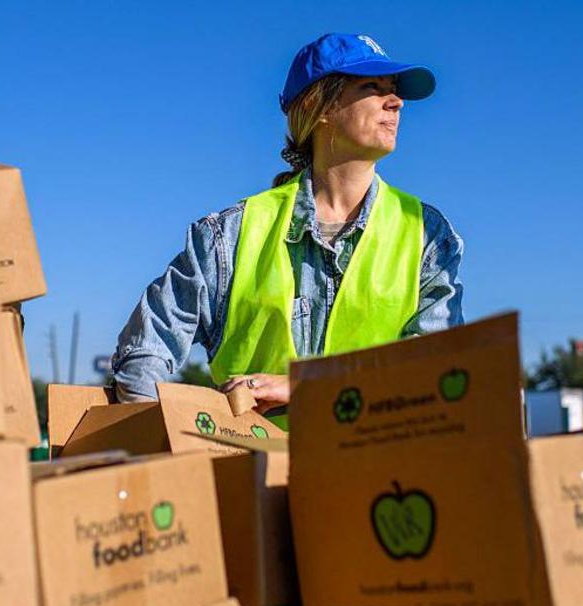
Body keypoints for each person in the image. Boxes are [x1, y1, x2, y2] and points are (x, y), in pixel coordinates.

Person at [111, 33, 464, 423]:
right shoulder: (228, 236)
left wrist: (307, 386)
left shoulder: (426, 234)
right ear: (321, 107)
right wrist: (165, 444)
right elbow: (146, 348)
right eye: (372, 87)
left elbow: (435, 372)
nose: (396, 102)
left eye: (394, 90)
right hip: (251, 476)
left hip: (377, 475)